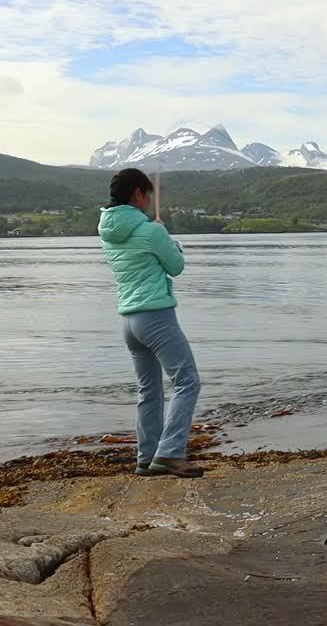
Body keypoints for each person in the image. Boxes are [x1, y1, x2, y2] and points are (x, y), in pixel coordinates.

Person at [97, 168, 203, 478]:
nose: (148, 201)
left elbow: (141, 253)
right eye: (147, 195)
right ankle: (170, 453)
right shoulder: (151, 231)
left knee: (149, 391)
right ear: (138, 194)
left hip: (129, 322)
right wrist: (167, 239)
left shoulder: (108, 232)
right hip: (156, 318)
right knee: (187, 382)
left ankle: (146, 458)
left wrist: (155, 234)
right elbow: (175, 266)